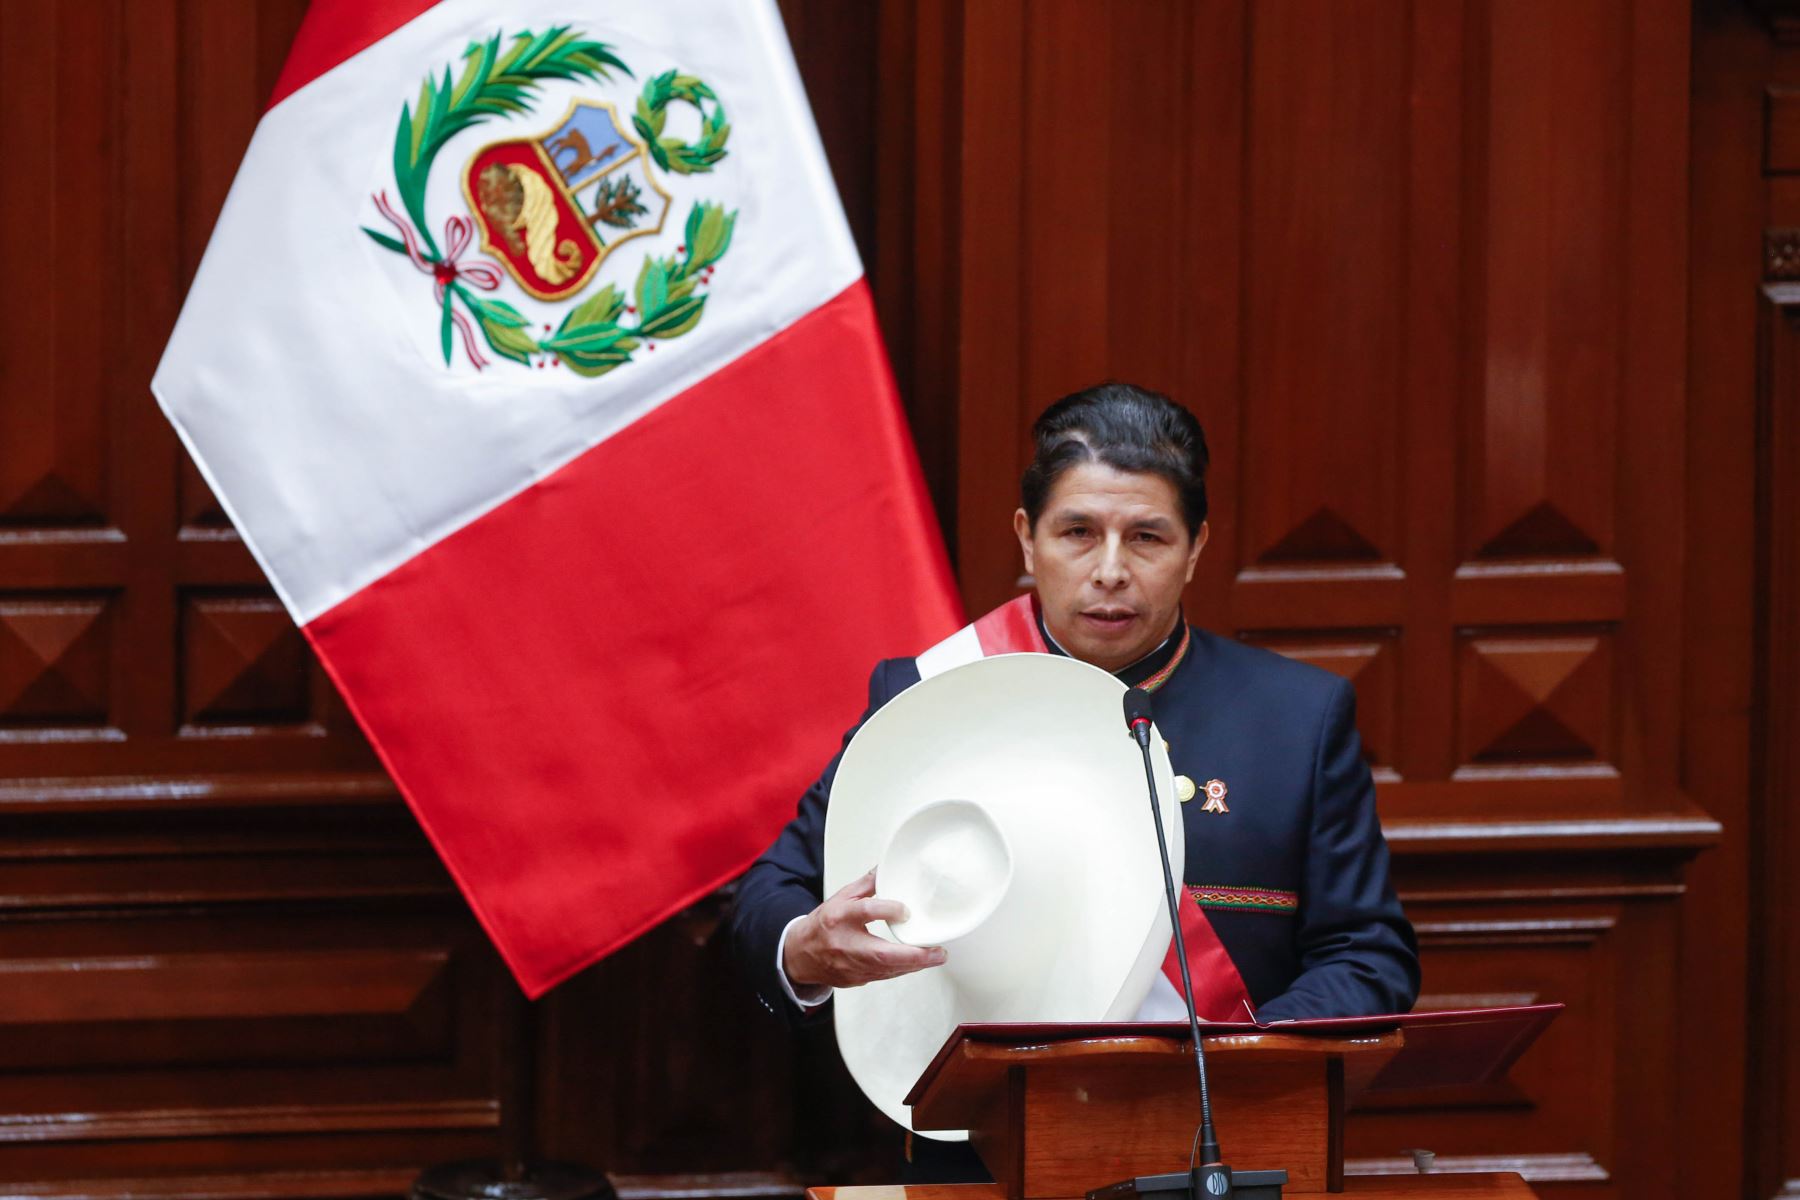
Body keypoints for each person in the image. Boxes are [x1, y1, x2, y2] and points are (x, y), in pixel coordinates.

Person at [729, 380, 1419, 1075]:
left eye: (1147, 538)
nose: (1111, 571)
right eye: (1078, 534)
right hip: (983, 1137)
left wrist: (1241, 1068)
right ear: (1029, 540)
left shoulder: (1295, 718)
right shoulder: (928, 696)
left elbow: (1368, 955)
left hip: (1218, 1137)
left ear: (1196, 547)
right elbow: (770, 897)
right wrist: (804, 949)